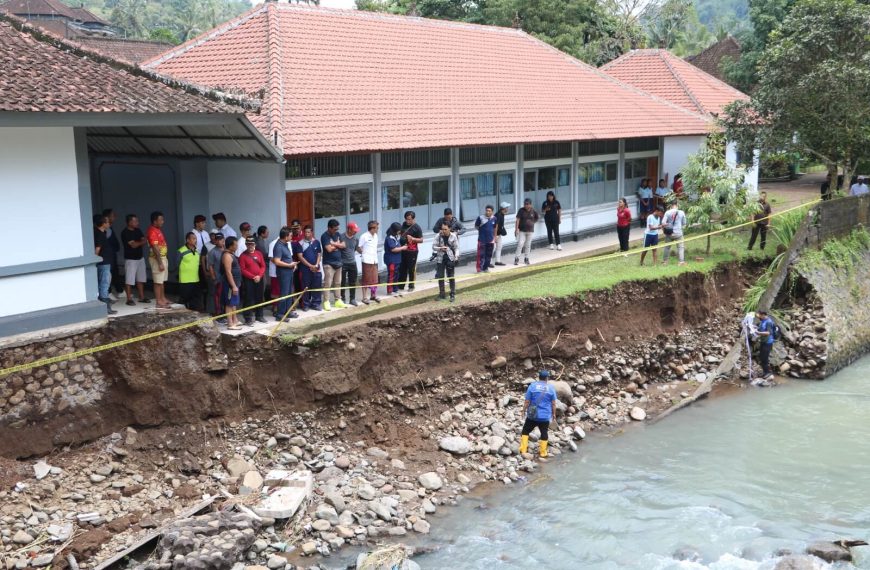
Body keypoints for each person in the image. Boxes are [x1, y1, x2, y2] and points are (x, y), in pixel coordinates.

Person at [519, 370, 557, 459]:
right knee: (544, 432)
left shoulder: (532, 386)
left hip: (532, 415)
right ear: (547, 378)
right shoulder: (551, 388)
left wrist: (523, 411)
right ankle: (543, 453)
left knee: (525, 431)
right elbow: (554, 403)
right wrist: (554, 414)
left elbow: (527, 401)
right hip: (544, 416)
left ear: (538, 377)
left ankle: (523, 449)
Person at [120, 214, 149, 306]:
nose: (137, 223)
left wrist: (139, 242)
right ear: (129, 222)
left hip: (140, 258)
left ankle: (141, 297)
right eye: (135, 221)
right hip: (130, 259)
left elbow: (144, 241)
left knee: (140, 279)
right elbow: (134, 245)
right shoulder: (125, 232)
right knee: (129, 280)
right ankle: (129, 299)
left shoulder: (138, 230)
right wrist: (141, 242)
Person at [293, 225, 323, 311]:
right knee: (305, 287)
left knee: (317, 286)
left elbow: (319, 254)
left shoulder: (316, 242)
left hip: (316, 269)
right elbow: (300, 257)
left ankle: (316, 304)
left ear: (312, 232)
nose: (307, 234)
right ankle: (305, 304)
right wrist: (310, 266)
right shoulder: (300, 243)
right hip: (305, 270)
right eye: (305, 232)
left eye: (308, 232)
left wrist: (316, 265)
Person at [271, 227, 299, 320]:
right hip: (283, 273)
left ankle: (288, 311)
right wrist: (289, 265)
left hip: (289, 271)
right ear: (286, 236)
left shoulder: (285, 244)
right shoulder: (278, 246)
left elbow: (287, 257)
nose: (292, 237)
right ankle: (280, 314)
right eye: (290, 235)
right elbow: (277, 261)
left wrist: (292, 264)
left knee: (289, 292)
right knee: (284, 293)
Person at [320, 219, 347, 311]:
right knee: (327, 284)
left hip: (339, 263)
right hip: (329, 264)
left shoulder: (338, 234)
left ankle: (338, 300)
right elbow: (329, 249)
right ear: (329, 228)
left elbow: (344, 245)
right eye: (335, 229)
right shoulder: (324, 236)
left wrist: (334, 244)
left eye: (337, 229)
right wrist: (338, 244)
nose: (336, 231)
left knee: (338, 283)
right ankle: (326, 301)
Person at [93, 214, 117, 314]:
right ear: (103, 224)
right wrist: (95, 261)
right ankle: (106, 307)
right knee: (104, 284)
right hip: (103, 263)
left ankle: (105, 303)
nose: (109, 223)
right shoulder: (99, 234)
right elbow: (97, 250)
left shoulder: (101, 232)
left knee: (104, 283)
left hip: (105, 262)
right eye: (107, 222)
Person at [239, 236, 267, 324]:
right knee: (248, 298)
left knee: (259, 297)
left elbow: (263, 266)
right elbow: (242, 270)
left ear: (255, 244)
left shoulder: (259, 253)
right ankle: (248, 317)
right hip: (248, 280)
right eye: (248, 244)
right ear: (246, 245)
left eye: (251, 244)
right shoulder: (242, 256)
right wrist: (253, 277)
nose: (250, 246)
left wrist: (259, 276)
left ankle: (259, 315)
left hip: (259, 279)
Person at [147, 211, 171, 309]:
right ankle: (158, 300)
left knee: (162, 280)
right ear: (154, 221)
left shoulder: (158, 230)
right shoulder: (152, 231)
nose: (162, 222)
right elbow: (155, 248)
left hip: (162, 257)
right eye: (160, 220)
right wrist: (160, 262)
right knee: (158, 281)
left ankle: (163, 298)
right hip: (157, 259)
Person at [397, 211, 423, 292]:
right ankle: (401, 285)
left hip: (412, 251)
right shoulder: (403, 225)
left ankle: (411, 286)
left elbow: (421, 240)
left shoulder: (417, 227)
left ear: (413, 219)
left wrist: (413, 238)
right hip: (403, 250)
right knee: (402, 268)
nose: (408, 221)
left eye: (409, 219)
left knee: (411, 269)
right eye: (406, 219)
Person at [220, 237, 242, 329]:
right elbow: (228, 272)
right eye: (235, 245)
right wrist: (233, 286)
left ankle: (235, 320)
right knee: (229, 303)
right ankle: (230, 323)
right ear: (231, 246)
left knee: (233, 303)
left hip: (235, 283)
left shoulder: (231, 254)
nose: (237, 246)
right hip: (230, 284)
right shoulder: (227, 256)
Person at [433, 221, 459, 302]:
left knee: (451, 276)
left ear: (449, 229)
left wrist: (456, 256)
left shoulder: (453, 236)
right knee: (440, 276)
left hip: (450, 258)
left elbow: (456, 248)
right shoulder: (438, 236)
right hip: (440, 258)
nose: (443, 231)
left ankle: (452, 294)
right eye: (442, 229)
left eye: (445, 229)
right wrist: (440, 248)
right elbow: (433, 247)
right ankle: (442, 294)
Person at [177, 232, 202, 311]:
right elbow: (176, 264)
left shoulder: (197, 251)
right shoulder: (181, 251)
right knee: (184, 300)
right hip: (185, 280)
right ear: (188, 240)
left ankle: (193, 316)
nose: (195, 240)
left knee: (195, 300)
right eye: (193, 238)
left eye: (196, 239)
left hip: (195, 279)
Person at [359, 220, 381, 304]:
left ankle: (373, 295)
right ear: (372, 228)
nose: (377, 229)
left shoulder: (376, 236)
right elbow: (359, 247)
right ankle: (364, 297)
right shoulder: (364, 236)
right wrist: (364, 253)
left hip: (375, 260)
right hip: (367, 261)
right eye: (376, 228)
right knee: (366, 279)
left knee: (375, 279)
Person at [340, 222, 361, 306]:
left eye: (356, 230)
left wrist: (362, 250)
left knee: (353, 281)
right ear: (349, 229)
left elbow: (356, 249)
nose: (355, 232)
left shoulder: (356, 239)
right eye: (354, 230)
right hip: (343, 263)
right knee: (342, 282)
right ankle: (342, 298)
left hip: (352, 263)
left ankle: (352, 299)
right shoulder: (341, 237)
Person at [102, 208, 121, 297]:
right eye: (113, 215)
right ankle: (108, 293)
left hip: (112, 254)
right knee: (107, 274)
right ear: (107, 218)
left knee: (114, 272)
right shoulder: (104, 230)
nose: (115, 217)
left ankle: (118, 290)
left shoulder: (110, 228)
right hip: (106, 256)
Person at [206, 233, 225, 320]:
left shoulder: (226, 250)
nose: (221, 241)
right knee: (217, 297)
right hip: (217, 278)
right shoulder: (212, 252)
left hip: (226, 278)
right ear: (216, 241)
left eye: (222, 239)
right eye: (219, 240)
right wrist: (213, 277)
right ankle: (218, 315)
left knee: (225, 297)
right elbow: (210, 266)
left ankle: (224, 314)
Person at [661, 201, 687, 265]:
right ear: (677, 205)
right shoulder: (681, 212)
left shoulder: (667, 212)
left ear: (671, 205)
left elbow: (663, 223)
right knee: (680, 248)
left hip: (669, 233)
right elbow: (684, 223)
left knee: (667, 247)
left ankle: (665, 261)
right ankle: (681, 262)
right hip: (678, 233)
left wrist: (668, 225)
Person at [514, 198, 539, 265]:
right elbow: (517, 220)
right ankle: (516, 258)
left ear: (530, 204)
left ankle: (526, 258)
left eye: (527, 204)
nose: (526, 205)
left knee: (528, 245)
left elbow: (537, 217)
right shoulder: (521, 210)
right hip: (522, 230)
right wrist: (516, 229)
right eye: (525, 204)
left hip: (530, 231)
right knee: (520, 244)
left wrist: (533, 222)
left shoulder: (533, 211)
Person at [384, 222, 406, 296]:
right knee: (392, 274)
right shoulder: (389, 238)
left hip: (397, 259)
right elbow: (393, 249)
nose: (400, 231)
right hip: (391, 260)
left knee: (396, 274)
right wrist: (403, 248)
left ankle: (395, 289)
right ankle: (390, 290)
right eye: (398, 230)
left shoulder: (396, 236)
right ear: (394, 230)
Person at [475, 205, 497, 272]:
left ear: (492, 212)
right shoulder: (480, 218)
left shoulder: (494, 218)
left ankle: (485, 268)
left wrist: (494, 238)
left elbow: (494, 228)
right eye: (486, 210)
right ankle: (479, 269)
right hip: (482, 240)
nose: (487, 212)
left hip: (490, 240)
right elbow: (476, 226)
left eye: (489, 211)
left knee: (489, 255)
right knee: (481, 255)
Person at [755, 310, 776, 380]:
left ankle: (768, 373)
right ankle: (765, 372)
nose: (759, 317)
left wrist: (758, 333)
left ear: (763, 315)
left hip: (768, 342)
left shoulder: (768, 322)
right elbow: (757, 317)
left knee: (765, 358)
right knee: (761, 357)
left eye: (760, 315)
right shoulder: (763, 320)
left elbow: (768, 333)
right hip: (763, 342)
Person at [255, 226, 270, 302]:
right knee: (264, 284)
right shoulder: (259, 242)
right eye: (267, 232)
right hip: (261, 265)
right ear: (262, 233)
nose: (268, 234)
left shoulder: (261, 240)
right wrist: (271, 255)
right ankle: (261, 301)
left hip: (262, 264)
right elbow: (263, 254)